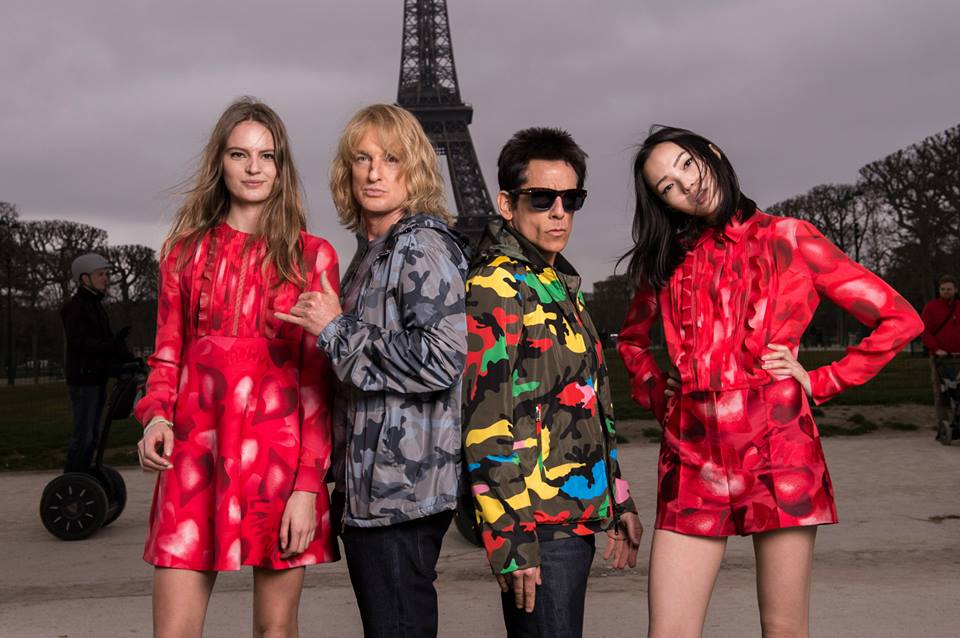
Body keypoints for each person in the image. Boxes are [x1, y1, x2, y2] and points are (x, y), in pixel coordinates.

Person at [617, 126, 923, 638]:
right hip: (692, 457)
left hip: (778, 449)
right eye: (667, 186)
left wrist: (821, 381)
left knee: (783, 629)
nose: (686, 185)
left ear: (712, 153)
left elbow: (900, 319)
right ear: (662, 202)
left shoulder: (790, 237)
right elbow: (630, 342)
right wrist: (658, 392)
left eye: (687, 164)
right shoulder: (666, 261)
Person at [135, 97, 338, 638]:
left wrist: (308, 487)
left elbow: (317, 386)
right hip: (194, 458)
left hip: (280, 465)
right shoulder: (182, 253)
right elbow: (167, 355)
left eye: (267, 156)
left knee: (276, 632)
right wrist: (156, 418)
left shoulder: (313, 256)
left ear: (281, 166)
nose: (254, 168)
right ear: (219, 162)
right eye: (239, 154)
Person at [275, 103, 469, 638]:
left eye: (391, 158)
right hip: (376, 488)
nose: (375, 172)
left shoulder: (420, 245)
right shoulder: (373, 253)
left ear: (416, 168)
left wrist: (336, 329)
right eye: (362, 158)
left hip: (401, 494)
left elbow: (442, 359)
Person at [462, 127, 642, 638]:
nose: (559, 212)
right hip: (536, 526)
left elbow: (586, 408)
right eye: (541, 198)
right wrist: (512, 541)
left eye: (571, 199)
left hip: (570, 516)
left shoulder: (556, 282)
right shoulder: (496, 284)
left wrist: (618, 498)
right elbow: (483, 425)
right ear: (507, 204)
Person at [61, 253, 131, 472]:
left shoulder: (96, 306)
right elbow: (81, 343)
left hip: (95, 378)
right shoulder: (75, 308)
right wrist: (111, 345)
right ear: (85, 278)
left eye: (106, 274)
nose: (105, 279)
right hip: (83, 380)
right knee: (84, 436)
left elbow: (106, 342)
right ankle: (71, 480)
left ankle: (83, 477)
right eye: (100, 274)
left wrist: (126, 359)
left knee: (92, 436)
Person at [921, 274, 960, 443]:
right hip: (940, 358)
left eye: (949, 289)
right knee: (941, 392)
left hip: (958, 356)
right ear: (939, 290)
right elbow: (925, 331)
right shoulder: (931, 308)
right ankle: (943, 425)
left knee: (957, 392)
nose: (946, 292)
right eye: (943, 289)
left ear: (955, 290)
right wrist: (936, 349)